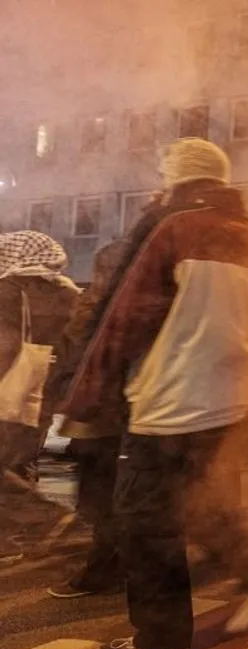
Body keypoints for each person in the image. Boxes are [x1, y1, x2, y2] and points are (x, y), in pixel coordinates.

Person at [61, 138, 248, 649]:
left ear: (180, 180)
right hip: (224, 395)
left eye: (164, 177)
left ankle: (161, 638)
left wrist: (86, 394)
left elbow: (125, 317)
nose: (157, 188)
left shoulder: (172, 228)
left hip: (170, 397)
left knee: (143, 515)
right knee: (195, 497)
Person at [46, 239, 131, 598]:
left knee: (87, 492)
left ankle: (104, 569)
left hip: (87, 415)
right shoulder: (138, 306)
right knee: (93, 489)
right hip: (112, 414)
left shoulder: (95, 308)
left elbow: (73, 362)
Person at [0, 230, 79, 558]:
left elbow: (5, 345)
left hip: (14, 390)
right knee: (43, 455)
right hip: (56, 390)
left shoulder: (8, 290)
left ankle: (33, 518)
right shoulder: (70, 291)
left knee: (7, 458)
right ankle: (52, 525)